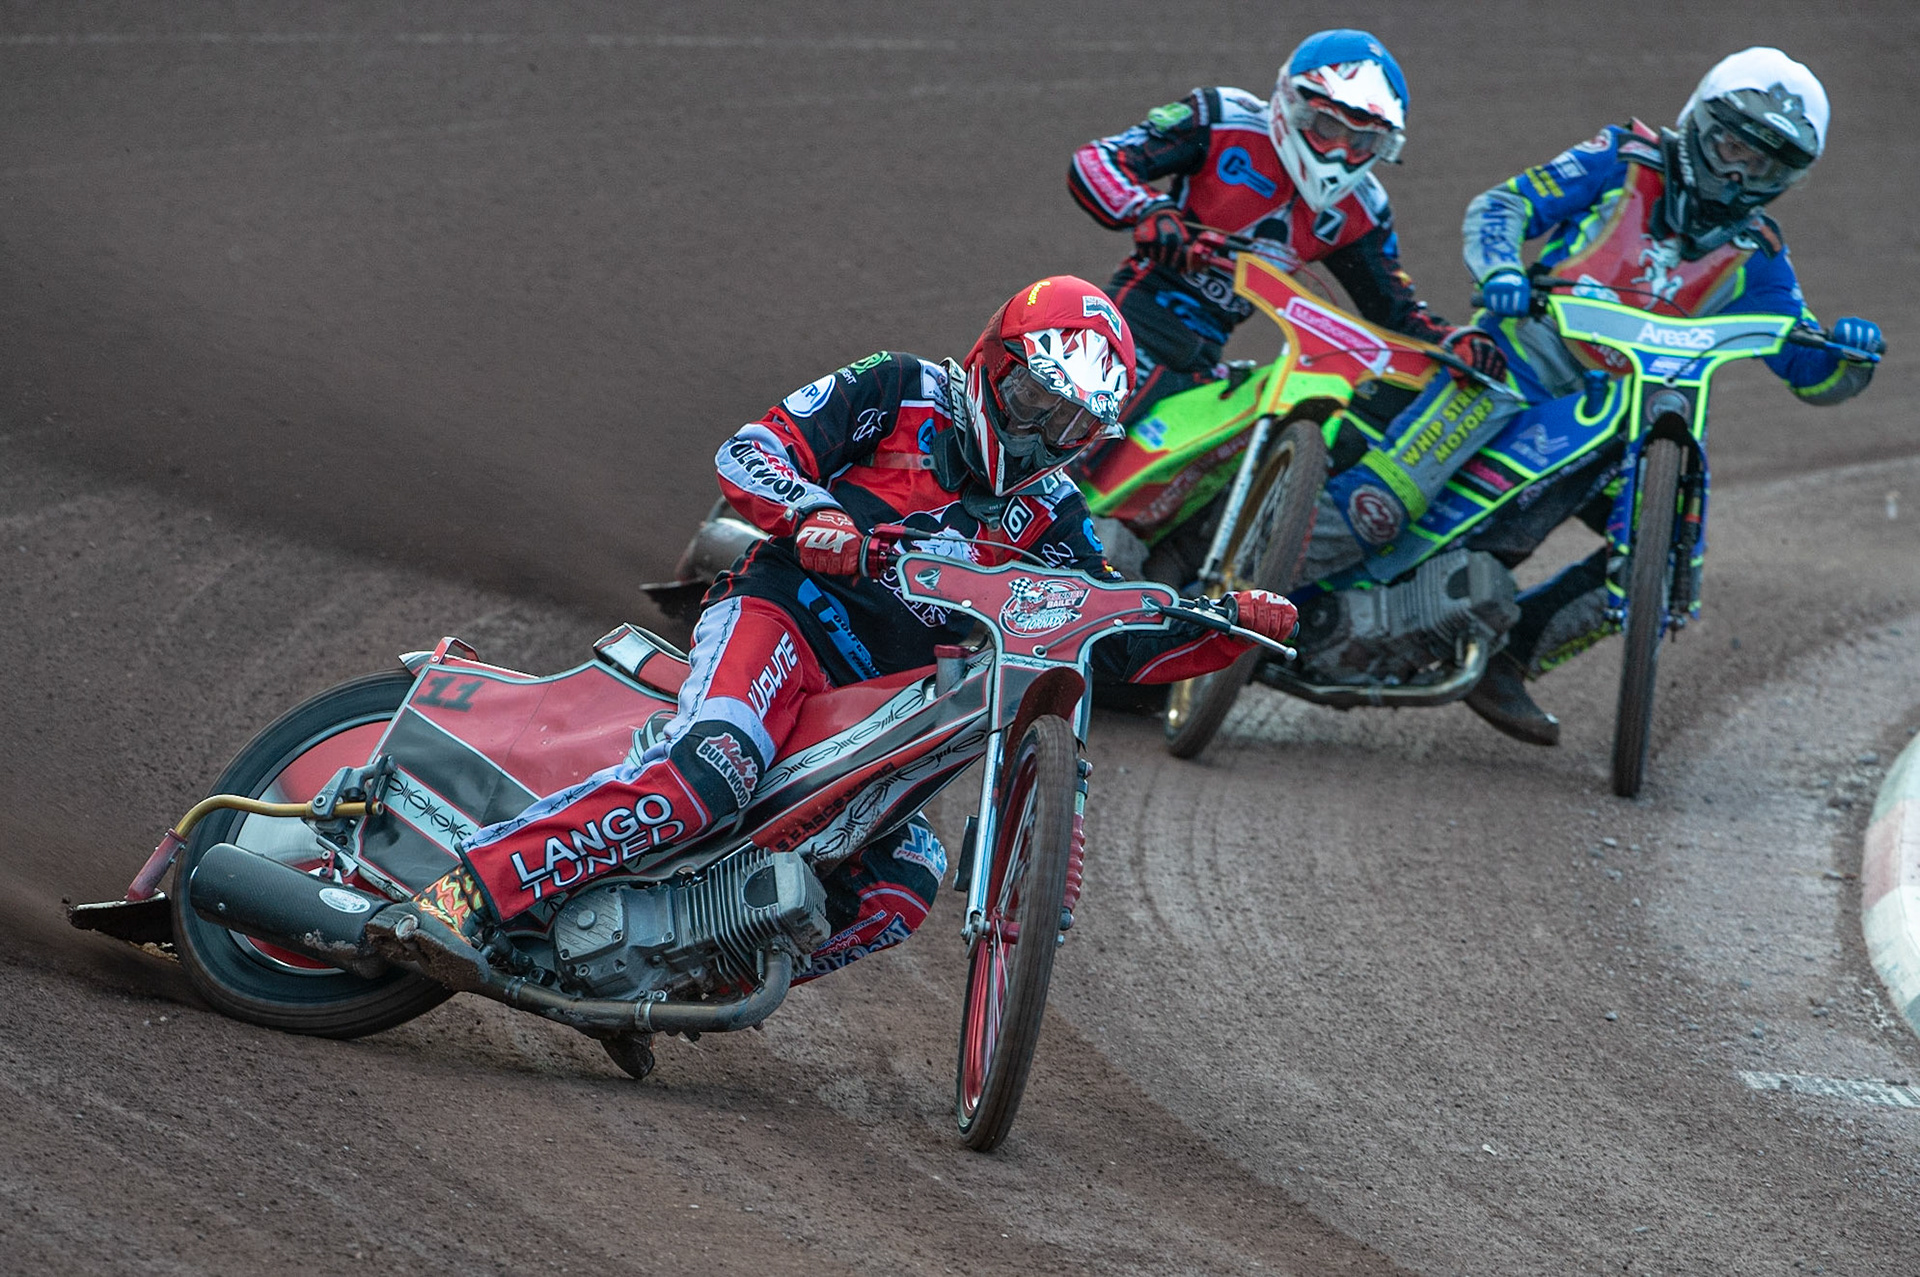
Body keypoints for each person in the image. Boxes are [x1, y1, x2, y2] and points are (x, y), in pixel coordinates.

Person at [366, 276, 1299, 983]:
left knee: (906, 881)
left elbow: (1112, 633)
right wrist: (814, 513)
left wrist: (1229, 631)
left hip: (879, 701)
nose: (1037, 437)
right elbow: (752, 449)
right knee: (712, 769)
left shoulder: (1053, 511)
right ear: (993, 362)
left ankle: (667, 975)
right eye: (1032, 404)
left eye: (1067, 427)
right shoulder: (899, 386)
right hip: (783, 619)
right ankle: (469, 889)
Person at [1421, 46, 1883, 746]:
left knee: (1665, 558)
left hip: (1622, 424)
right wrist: (1500, 272)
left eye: (1764, 167)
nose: (1738, 175)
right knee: (1400, 484)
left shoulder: (1758, 255)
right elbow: (1505, 204)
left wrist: (1847, 358)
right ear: (1699, 122)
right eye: (1732, 147)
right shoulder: (1621, 159)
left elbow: (1805, 364)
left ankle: (1507, 660)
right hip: (1520, 369)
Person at [1067, 28, 1504, 428]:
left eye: (1362, 141)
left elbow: (1394, 311)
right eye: (1329, 126)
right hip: (1135, 321)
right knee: (1081, 445)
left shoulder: (1363, 210)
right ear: (1295, 103)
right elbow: (1098, 160)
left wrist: (1453, 340)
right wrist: (1148, 210)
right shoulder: (1224, 118)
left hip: (1207, 356)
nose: (1340, 151)